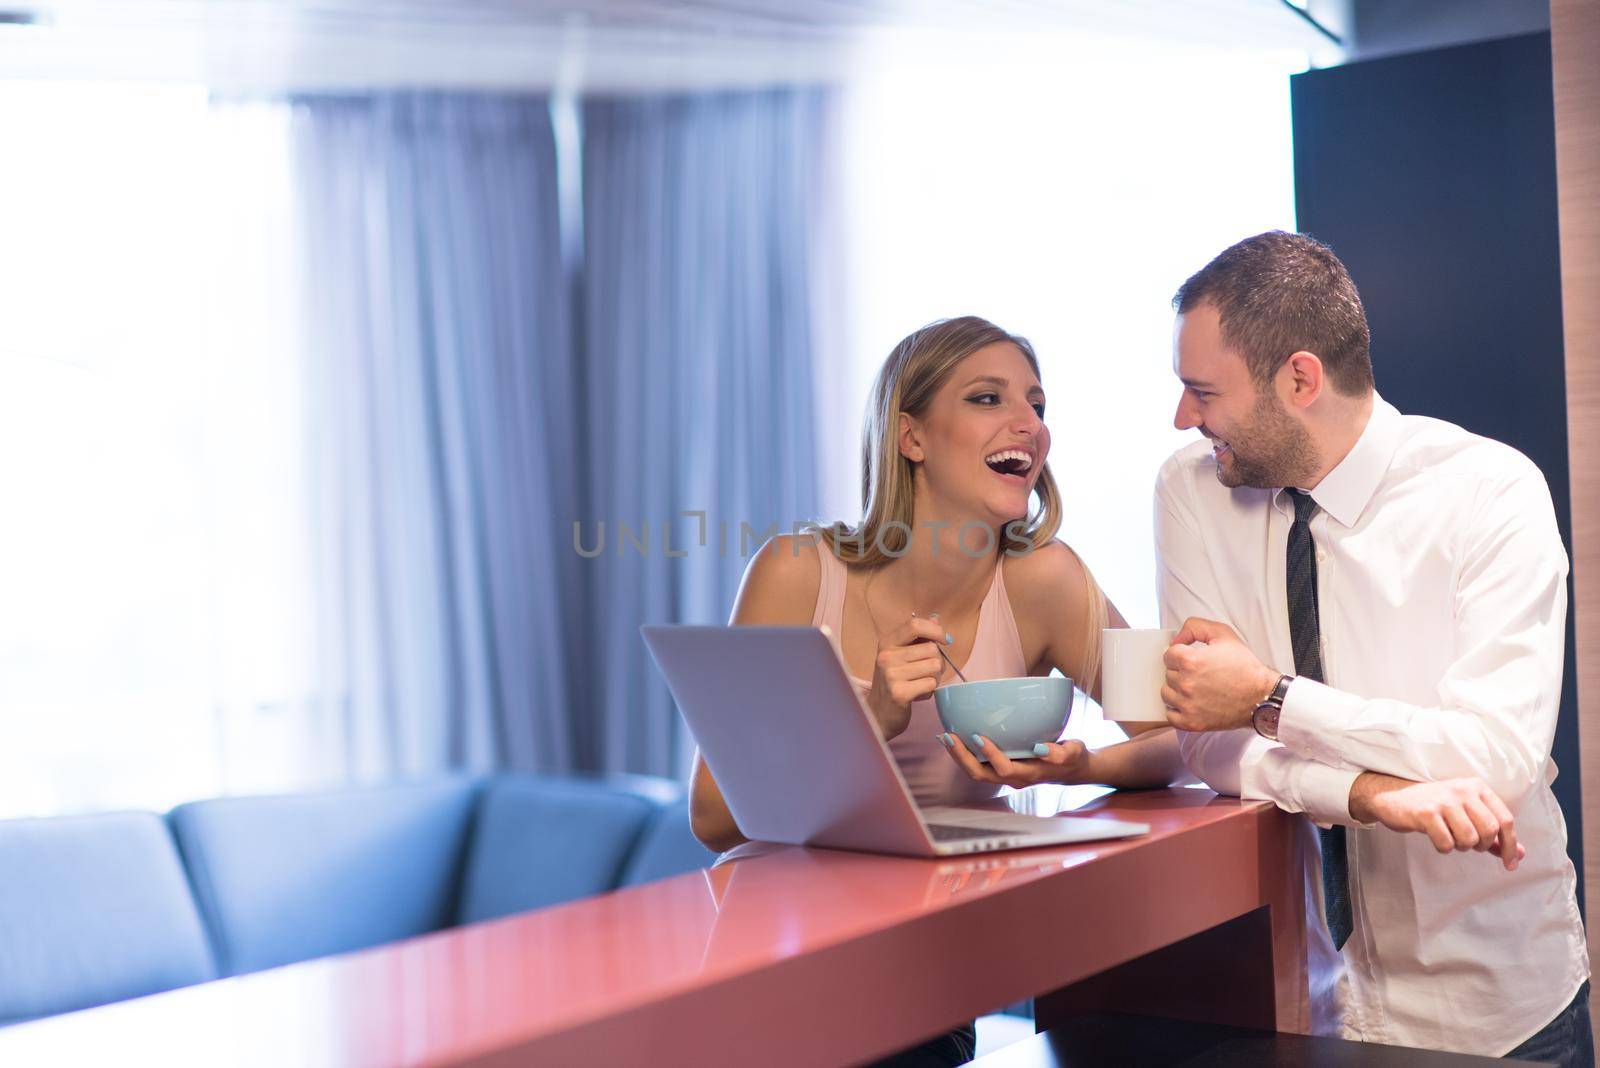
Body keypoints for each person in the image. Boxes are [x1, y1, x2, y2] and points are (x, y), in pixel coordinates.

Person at [689, 315, 1186, 1067]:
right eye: (989, 399)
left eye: (1038, 405)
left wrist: (1077, 766)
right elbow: (715, 817)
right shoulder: (794, 571)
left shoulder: (1050, 579)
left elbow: (1181, 739)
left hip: (923, 986)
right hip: (770, 961)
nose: (1029, 424)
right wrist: (869, 719)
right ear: (910, 436)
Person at [1155, 230, 1589, 1063]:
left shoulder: (1491, 493)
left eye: (1201, 390)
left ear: (1301, 378)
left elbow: (1494, 760)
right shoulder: (1191, 490)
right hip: (1300, 1004)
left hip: (1493, 1011)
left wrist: (1271, 699)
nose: (1183, 418)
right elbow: (1207, 742)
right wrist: (1369, 794)